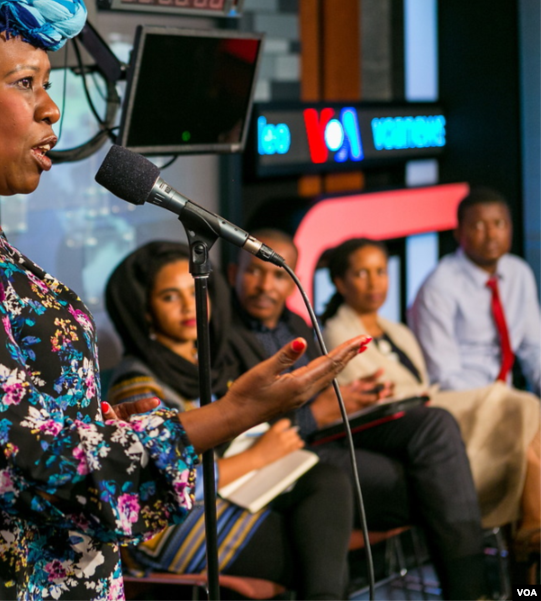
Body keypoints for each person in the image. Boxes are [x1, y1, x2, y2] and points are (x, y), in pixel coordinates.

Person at [0, 0, 368, 601]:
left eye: (47, 84)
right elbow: (21, 459)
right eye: (24, 84)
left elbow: (1, 406)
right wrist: (232, 414)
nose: (51, 109)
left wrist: (96, 417)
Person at [216, 229, 488, 601]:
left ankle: (472, 589)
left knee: (434, 422)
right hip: (287, 447)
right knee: (433, 481)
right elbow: (239, 422)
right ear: (233, 274)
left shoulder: (296, 325)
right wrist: (318, 412)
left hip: (329, 431)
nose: (266, 285)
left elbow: (322, 393)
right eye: (254, 272)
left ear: (294, 279)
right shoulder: (221, 333)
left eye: (279, 275)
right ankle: (471, 589)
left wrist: (354, 397)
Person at [105, 241, 352, 601]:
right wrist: (258, 456)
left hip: (222, 497)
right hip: (168, 528)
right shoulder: (137, 385)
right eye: (170, 297)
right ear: (145, 310)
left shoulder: (199, 360)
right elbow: (162, 484)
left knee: (328, 485)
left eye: (193, 291)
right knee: (319, 552)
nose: (189, 305)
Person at [323, 237, 541, 546]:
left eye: (381, 271)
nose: (374, 282)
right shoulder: (336, 334)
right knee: (515, 404)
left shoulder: (395, 329)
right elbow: (377, 395)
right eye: (362, 273)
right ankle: (532, 525)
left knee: (524, 420)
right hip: (409, 422)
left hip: (431, 408)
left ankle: (531, 532)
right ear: (340, 283)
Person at [410, 187, 541, 393]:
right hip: (464, 400)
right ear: (458, 232)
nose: (491, 235)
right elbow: (443, 376)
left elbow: (535, 350)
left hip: (507, 395)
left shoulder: (518, 272)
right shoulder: (438, 286)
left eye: (499, 224)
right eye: (478, 226)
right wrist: (497, 403)